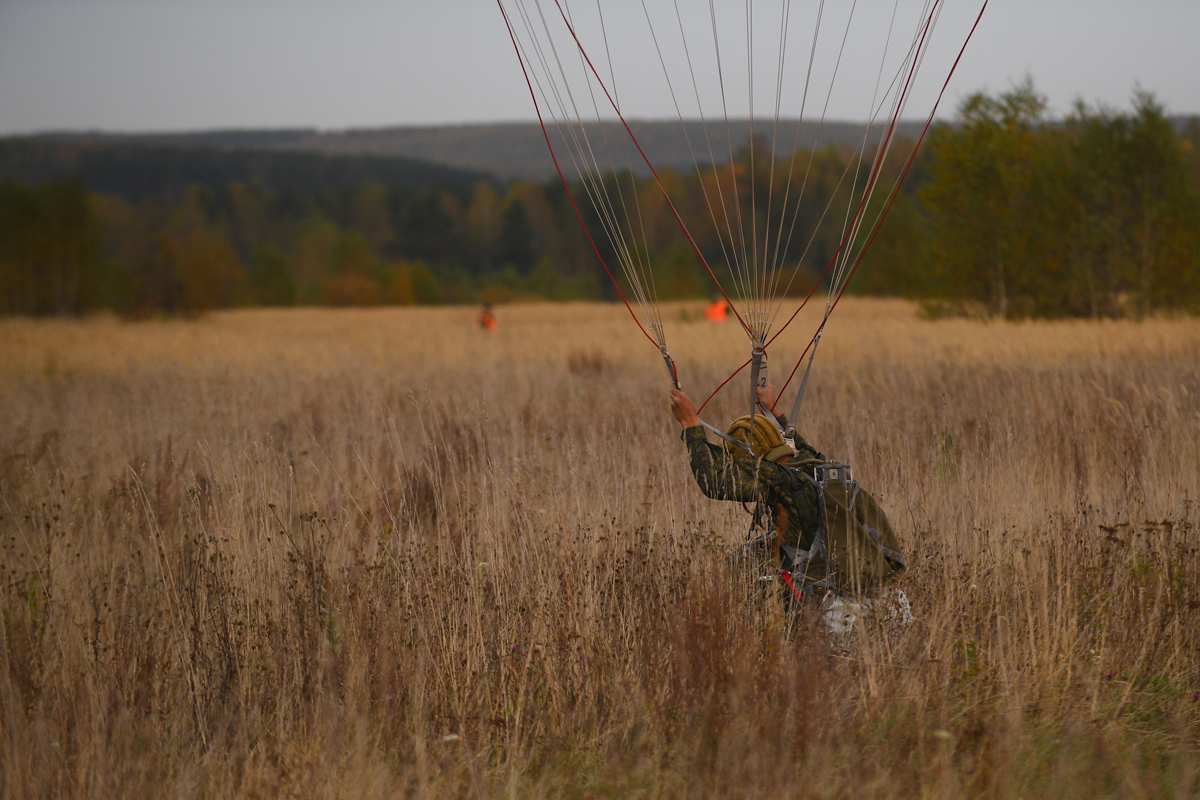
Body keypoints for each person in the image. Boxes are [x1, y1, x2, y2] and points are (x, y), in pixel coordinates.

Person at [669, 382, 907, 613]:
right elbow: (799, 443)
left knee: (746, 566)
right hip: (890, 602)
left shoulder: (776, 478)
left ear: (753, 460)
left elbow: (714, 483)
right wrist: (772, 410)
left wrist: (690, 422)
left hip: (840, 611)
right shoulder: (812, 465)